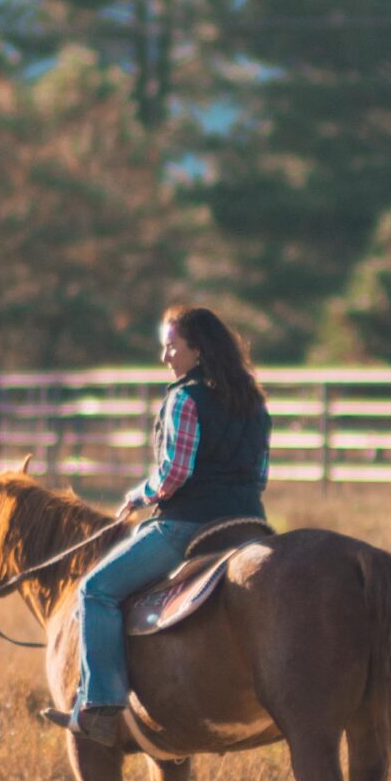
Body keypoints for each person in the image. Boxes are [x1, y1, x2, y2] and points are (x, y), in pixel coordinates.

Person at [47, 303, 271, 746]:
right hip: (249, 524)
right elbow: (260, 474)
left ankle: (102, 704)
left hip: (189, 525)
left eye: (171, 347)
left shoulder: (186, 399)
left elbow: (174, 474)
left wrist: (139, 495)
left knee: (96, 591)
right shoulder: (254, 402)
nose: (165, 357)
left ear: (198, 350)